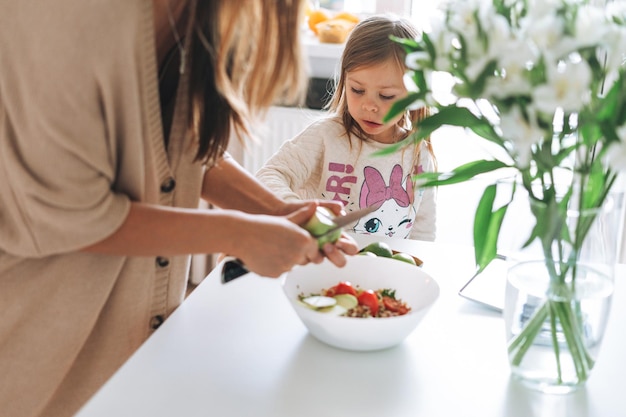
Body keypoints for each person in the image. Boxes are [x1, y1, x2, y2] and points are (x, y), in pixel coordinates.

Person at [0, 1, 359, 416]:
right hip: (33, 349)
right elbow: (71, 213)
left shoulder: (186, 14)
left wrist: (276, 212)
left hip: (126, 348)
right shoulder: (66, 19)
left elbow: (178, 147)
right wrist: (238, 234)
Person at [256, 15, 437, 241]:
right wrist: (298, 211)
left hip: (384, 270)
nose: (369, 106)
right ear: (345, 80)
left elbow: (424, 229)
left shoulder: (420, 153)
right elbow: (269, 175)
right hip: (323, 265)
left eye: (386, 96)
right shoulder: (325, 135)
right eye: (357, 90)